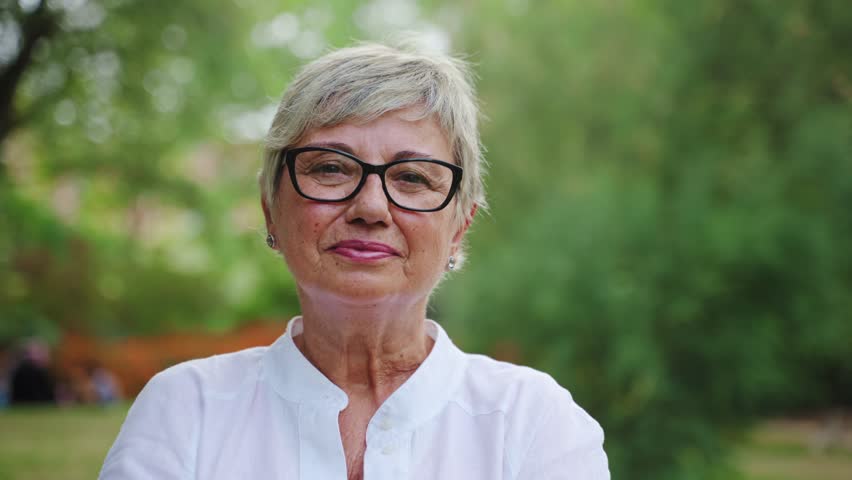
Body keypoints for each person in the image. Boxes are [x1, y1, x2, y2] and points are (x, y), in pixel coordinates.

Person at [100, 42, 609, 480]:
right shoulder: (187, 410)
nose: (370, 207)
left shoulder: (531, 421)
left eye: (412, 177)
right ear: (270, 210)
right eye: (330, 168)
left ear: (459, 227)